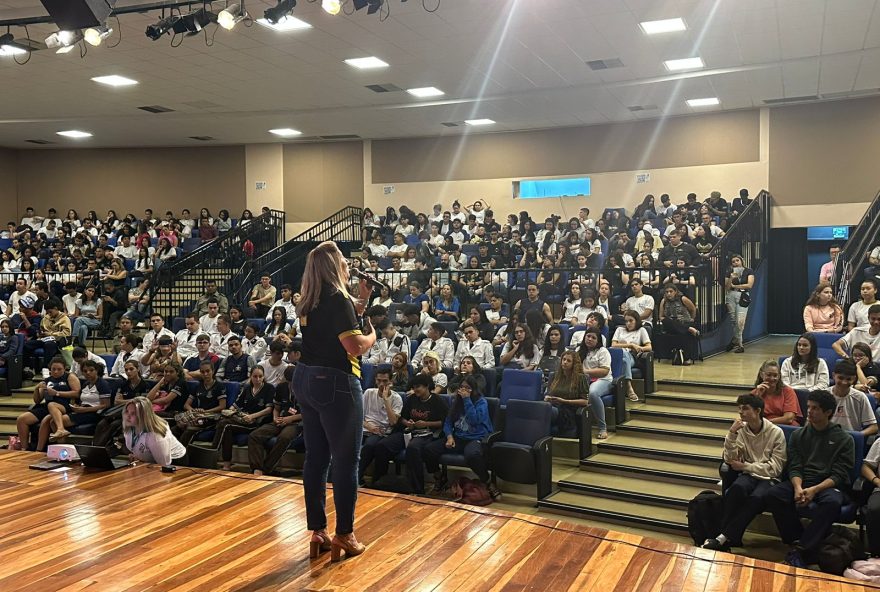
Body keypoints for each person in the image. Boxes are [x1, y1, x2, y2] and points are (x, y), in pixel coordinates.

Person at [291, 241, 376, 561]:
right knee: (345, 460)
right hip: (336, 382)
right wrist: (372, 337)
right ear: (333, 266)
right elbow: (353, 346)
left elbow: (333, 323)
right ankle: (345, 534)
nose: (347, 265)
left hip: (305, 378)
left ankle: (318, 531)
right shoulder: (338, 299)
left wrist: (362, 300)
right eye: (342, 260)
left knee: (316, 457)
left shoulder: (308, 300)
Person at [764, 390, 855, 568]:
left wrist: (814, 490)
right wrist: (798, 488)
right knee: (774, 493)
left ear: (828, 412)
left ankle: (802, 549)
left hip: (827, 485)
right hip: (802, 481)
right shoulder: (799, 435)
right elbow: (794, 466)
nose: (810, 412)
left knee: (832, 502)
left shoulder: (844, 439)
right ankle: (798, 541)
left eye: (815, 408)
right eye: (808, 407)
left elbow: (839, 474)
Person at [702, 394, 786, 552]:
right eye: (739, 409)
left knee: (756, 498)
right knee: (735, 490)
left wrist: (746, 466)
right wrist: (731, 435)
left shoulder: (776, 433)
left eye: (745, 408)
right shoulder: (741, 431)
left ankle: (722, 538)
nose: (741, 412)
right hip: (750, 474)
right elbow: (729, 460)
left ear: (758, 410)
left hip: (770, 478)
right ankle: (728, 539)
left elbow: (776, 468)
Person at [422, 375, 499, 499]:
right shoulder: (455, 401)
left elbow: (474, 421)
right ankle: (439, 477)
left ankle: (487, 481)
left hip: (475, 437)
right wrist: (449, 436)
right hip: (458, 437)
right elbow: (448, 422)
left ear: (473, 390)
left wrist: (467, 400)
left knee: (472, 455)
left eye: (467, 388)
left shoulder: (481, 402)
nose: (463, 390)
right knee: (429, 449)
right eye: (462, 387)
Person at [371, 373, 450, 493]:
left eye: (418, 387)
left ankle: (416, 489)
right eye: (414, 387)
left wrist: (426, 424)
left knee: (413, 448)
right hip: (409, 431)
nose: (415, 390)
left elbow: (445, 422)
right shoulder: (412, 399)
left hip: (427, 434)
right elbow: (401, 418)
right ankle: (378, 482)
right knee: (382, 445)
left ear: (427, 386)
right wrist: (407, 422)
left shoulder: (437, 400)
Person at [212, 365, 274, 470]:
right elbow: (235, 405)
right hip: (242, 418)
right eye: (255, 376)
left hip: (256, 421)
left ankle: (212, 453)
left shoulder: (269, 388)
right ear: (250, 376)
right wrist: (229, 411)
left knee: (225, 424)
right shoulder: (247, 388)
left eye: (260, 376)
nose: (257, 379)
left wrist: (252, 416)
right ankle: (226, 462)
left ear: (264, 377)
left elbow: (269, 409)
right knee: (225, 425)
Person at [248, 366, 303, 476]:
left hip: (296, 422)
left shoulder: (306, 389)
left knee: (284, 437)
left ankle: (267, 468)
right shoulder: (281, 387)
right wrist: (275, 418)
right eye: (289, 382)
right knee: (255, 435)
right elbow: (276, 408)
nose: (292, 385)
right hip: (280, 419)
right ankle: (257, 469)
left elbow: (309, 413)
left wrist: (290, 419)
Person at [358, 368, 404, 485]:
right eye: (379, 381)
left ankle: (359, 478)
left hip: (381, 432)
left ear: (390, 381)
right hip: (365, 428)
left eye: (385, 381)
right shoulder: (368, 393)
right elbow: (358, 416)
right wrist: (368, 426)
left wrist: (385, 399)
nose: (381, 384)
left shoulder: (397, 398)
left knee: (370, 446)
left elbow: (393, 422)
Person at [92, 359, 149, 450]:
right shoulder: (123, 384)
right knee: (101, 424)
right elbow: (116, 401)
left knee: (114, 425)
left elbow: (142, 402)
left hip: (136, 415)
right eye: (126, 370)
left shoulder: (145, 385)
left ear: (138, 369)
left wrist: (127, 401)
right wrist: (133, 400)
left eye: (131, 369)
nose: (128, 372)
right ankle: (94, 448)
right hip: (121, 412)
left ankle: (101, 448)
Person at [173, 359, 227, 446]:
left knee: (188, 430)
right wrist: (194, 410)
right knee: (174, 429)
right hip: (198, 415)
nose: (205, 374)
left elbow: (222, 406)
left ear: (213, 371)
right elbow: (186, 405)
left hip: (212, 417)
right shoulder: (198, 385)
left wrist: (206, 411)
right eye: (202, 372)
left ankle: (181, 456)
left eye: (207, 371)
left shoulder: (219, 386)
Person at [122, 396, 187, 466]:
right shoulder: (130, 427)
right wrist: (138, 457)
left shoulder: (155, 435)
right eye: (127, 411)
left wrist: (142, 460)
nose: (127, 416)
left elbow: (164, 464)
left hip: (175, 463)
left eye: (133, 413)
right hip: (153, 461)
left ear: (143, 416)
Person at [577, 327, 613, 440]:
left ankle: (602, 427)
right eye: (588, 336)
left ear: (598, 340)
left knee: (592, 393)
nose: (590, 339)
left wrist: (585, 372)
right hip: (583, 380)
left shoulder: (603, 351)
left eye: (593, 337)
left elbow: (604, 371)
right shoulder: (579, 350)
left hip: (603, 380)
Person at [544, 350, 589, 438]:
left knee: (545, 411)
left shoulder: (581, 378)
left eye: (568, 361)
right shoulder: (554, 376)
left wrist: (565, 401)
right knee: (541, 408)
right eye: (563, 359)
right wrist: (547, 398)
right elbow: (548, 393)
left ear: (574, 364)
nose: (565, 362)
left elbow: (585, 402)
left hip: (568, 410)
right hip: (553, 406)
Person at [829, 359, 878, 437]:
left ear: (854, 379)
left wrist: (857, 435)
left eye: (848, 379)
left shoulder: (860, 397)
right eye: (840, 378)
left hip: (851, 440)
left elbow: (874, 427)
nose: (844, 382)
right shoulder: (824, 395)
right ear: (833, 376)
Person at [611, 310, 652, 402]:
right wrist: (630, 345)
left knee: (625, 356)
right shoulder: (619, 330)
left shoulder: (641, 330)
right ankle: (628, 388)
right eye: (626, 321)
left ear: (636, 320)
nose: (628, 323)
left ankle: (629, 387)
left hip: (632, 356)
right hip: (618, 355)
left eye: (631, 321)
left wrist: (638, 347)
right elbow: (613, 345)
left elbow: (649, 347)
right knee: (623, 358)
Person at [658, 282, 699, 365]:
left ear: (675, 291)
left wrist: (692, 319)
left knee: (682, 333)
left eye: (671, 291)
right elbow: (661, 316)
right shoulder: (663, 301)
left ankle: (687, 358)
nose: (669, 294)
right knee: (667, 321)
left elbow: (693, 309)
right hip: (671, 324)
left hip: (683, 322)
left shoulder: (683, 299)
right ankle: (689, 329)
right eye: (667, 292)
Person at [751, 359, 801, 425]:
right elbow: (750, 416)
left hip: (785, 427)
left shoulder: (788, 391)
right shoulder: (754, 393)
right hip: (762, 429)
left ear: (779, 376)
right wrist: (757, 397)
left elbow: (789, 418)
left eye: (775, 375)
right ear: (761, 374)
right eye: (768, 375)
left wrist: (765, 423)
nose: (772, 378)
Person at [725, 254, 754, 353]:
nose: (735, 263)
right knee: (734, 321)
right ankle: (736, 342)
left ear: (741, 261)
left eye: (737, 260)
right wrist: (731, 278)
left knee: (740, 321)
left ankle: (739, 344)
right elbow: (728, 287)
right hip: (731, 295)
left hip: (743, 295)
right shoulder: (730, 271)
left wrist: (736, 285)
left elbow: (749, 285)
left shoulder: (748, 270)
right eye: (733, 261)